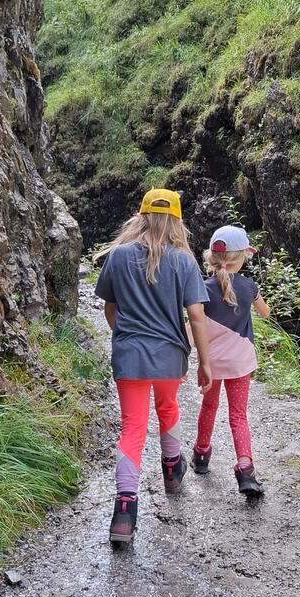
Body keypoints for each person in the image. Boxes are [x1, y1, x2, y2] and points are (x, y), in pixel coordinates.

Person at [95, 189, 212, 545]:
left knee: (132, 427)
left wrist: (126, 340)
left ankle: (124, 512)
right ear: (177, 221)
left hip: (129, 355)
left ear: (141, 215)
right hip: (169, 356)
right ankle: (172, 469)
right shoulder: (184, 261)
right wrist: (204, 362)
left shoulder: (118, 256)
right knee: (168, 406)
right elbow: (196, 316)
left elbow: (110, 310)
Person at [192, 224, 270, 497]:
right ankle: (245, 468)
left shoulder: (202, 289)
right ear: (243, 257)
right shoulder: (249, 287)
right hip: (240, 364)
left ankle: (202, 455)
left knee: (209, 407)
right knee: (238, 415)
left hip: (211, 363)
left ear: (211, 257)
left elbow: (195, 324)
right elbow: (265, 313)